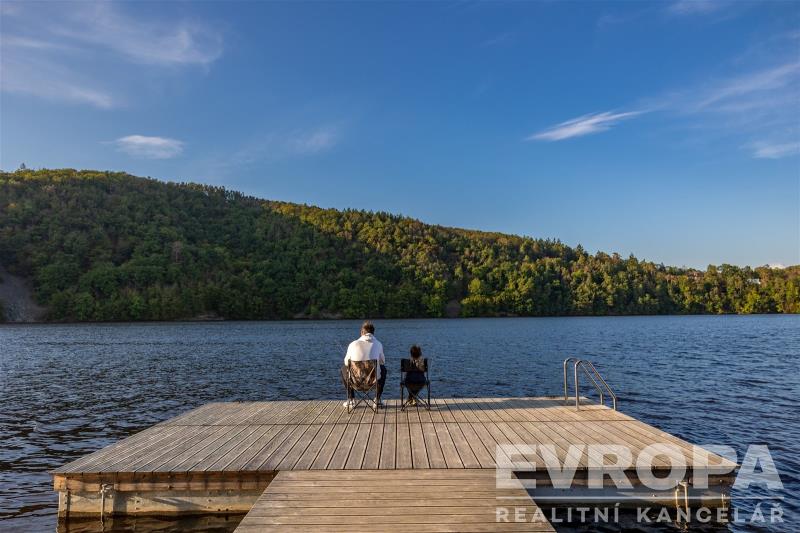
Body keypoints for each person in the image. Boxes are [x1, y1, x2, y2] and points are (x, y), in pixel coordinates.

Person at [341, 320, 386, 408]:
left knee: (343, 368)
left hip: (356, 381)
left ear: (362, 332)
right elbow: (383, 362)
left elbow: (346, 362)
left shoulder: (353, 344)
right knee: (383, 369)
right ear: (373, 333)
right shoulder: (378, 344)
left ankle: (351, 399)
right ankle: (377, 399)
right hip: (373, 382)